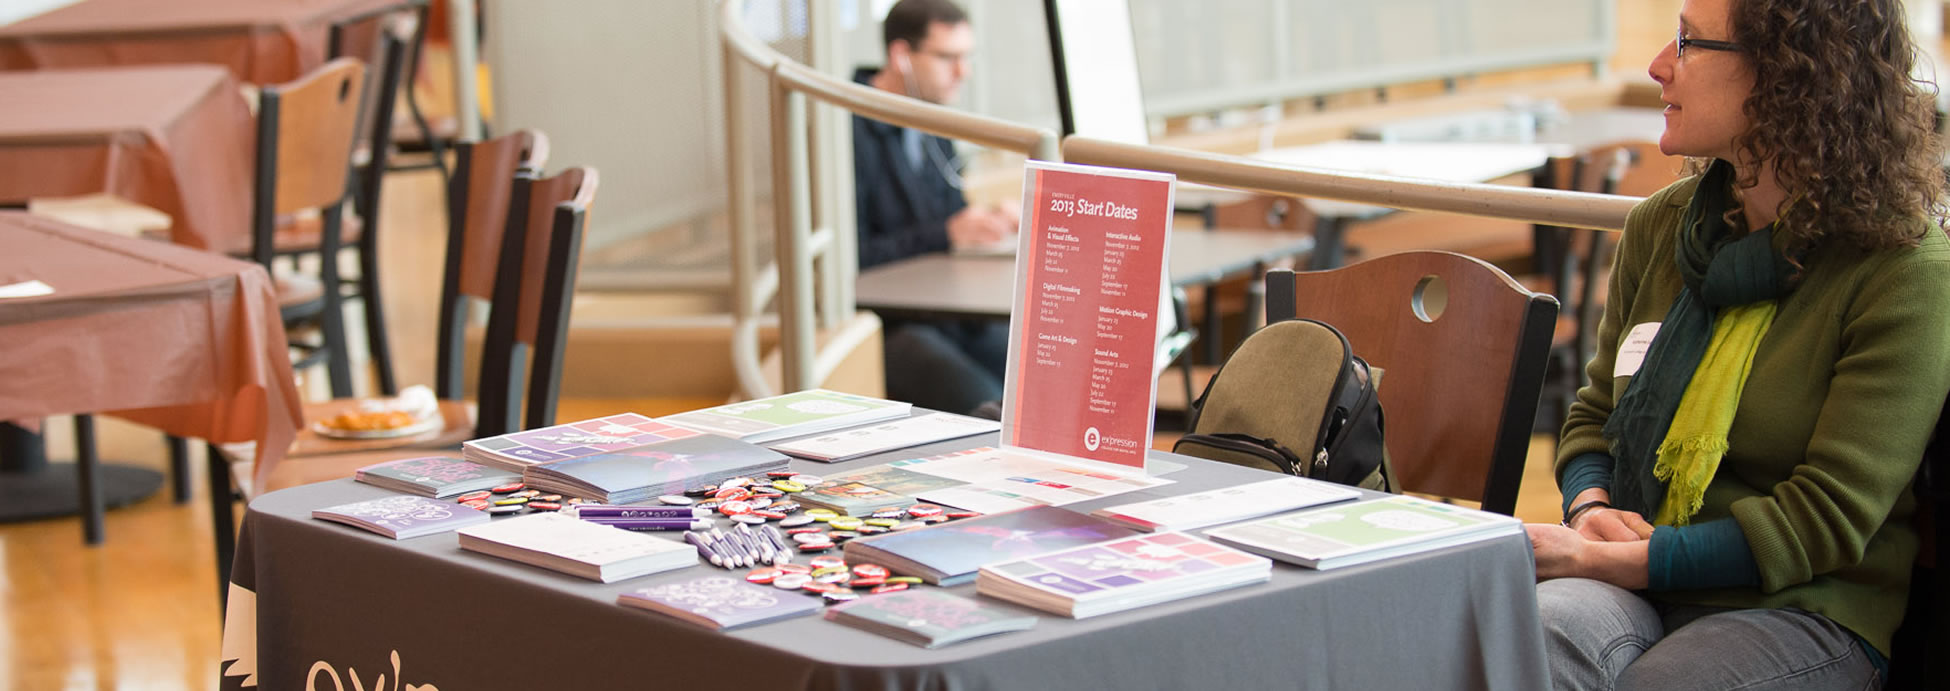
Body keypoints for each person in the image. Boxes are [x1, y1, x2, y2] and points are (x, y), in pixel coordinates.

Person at [1528, 0, 1950, 689]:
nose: (1658, 66)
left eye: (1689, 44)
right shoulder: (1662, 228)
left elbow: (1825, 519)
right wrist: (1592, 511)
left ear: (1788, 76)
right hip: (1637, 579)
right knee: (1528, 637)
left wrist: (1621, 559)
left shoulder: (1903, 269)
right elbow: (1591, 419)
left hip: (1803, 604)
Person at [852, 0, 1016, 416]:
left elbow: (951, 213)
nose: (964, 72)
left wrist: (989, 221)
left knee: (1032, 368)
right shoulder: (845, 127)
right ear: (901, 56)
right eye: (949, 58)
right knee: (984, 400)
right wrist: (946, 233)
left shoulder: (932, 120)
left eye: (967, 57)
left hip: (946, 309)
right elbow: (852, 256)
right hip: (887, 322)